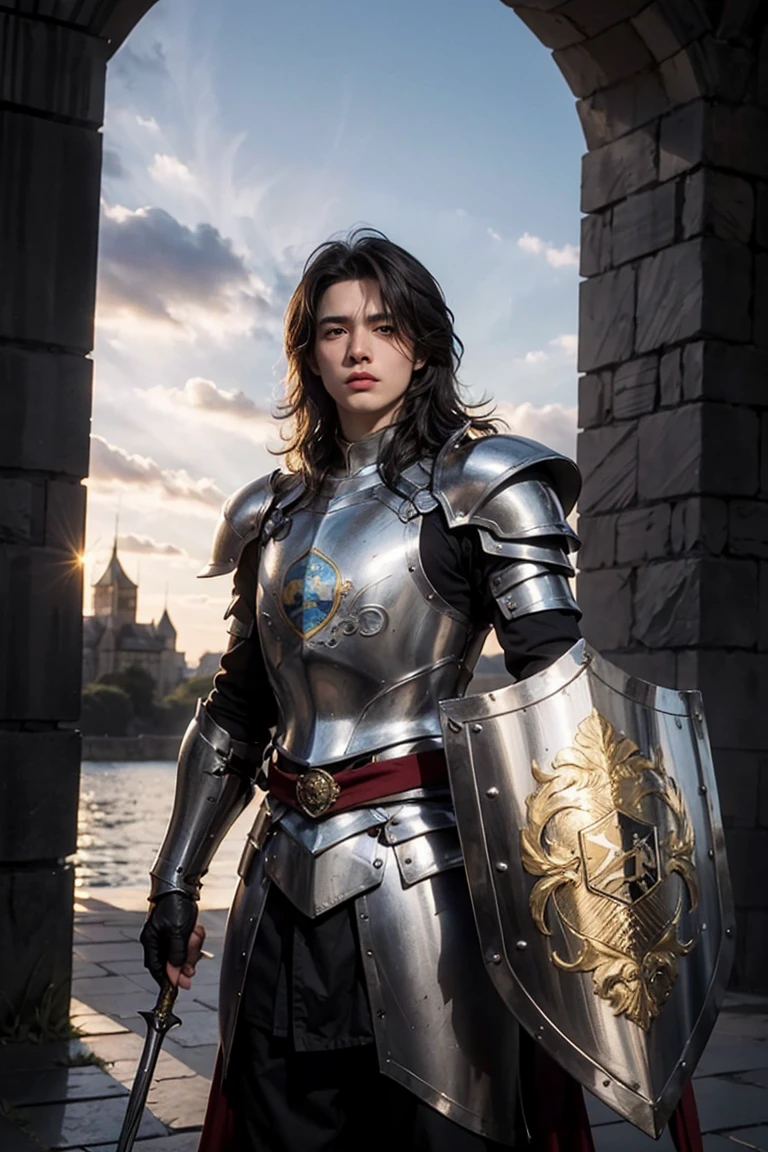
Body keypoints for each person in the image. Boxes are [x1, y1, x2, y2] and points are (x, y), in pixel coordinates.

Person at [139, 229, 701, 1152]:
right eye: (333, 330)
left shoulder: (485, 488)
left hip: (428, 887)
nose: (358, 349)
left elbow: (558, 695)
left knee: (442, 1137)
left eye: (383, 326)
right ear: (309, 355)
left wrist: (621, 890)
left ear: (423, 343)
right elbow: (237, 715)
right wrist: (173, 880)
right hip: (278, 889)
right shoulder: (268, 513)